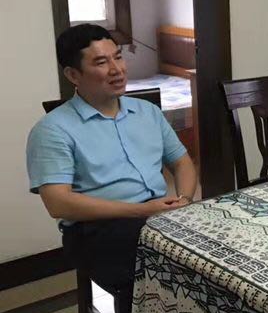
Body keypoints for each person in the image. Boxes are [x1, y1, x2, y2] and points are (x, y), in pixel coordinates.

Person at [26, 24, 197, 290]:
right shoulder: (53, 129)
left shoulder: (147, 112)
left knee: (213, 248)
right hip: (96, 230)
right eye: (101, 62)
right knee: (168, 271)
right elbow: (58, 203)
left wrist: (184, 200)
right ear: (73, 74)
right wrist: (142, 210)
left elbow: (182, 162)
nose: (117, 70)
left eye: (118, 57)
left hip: (157, 216)